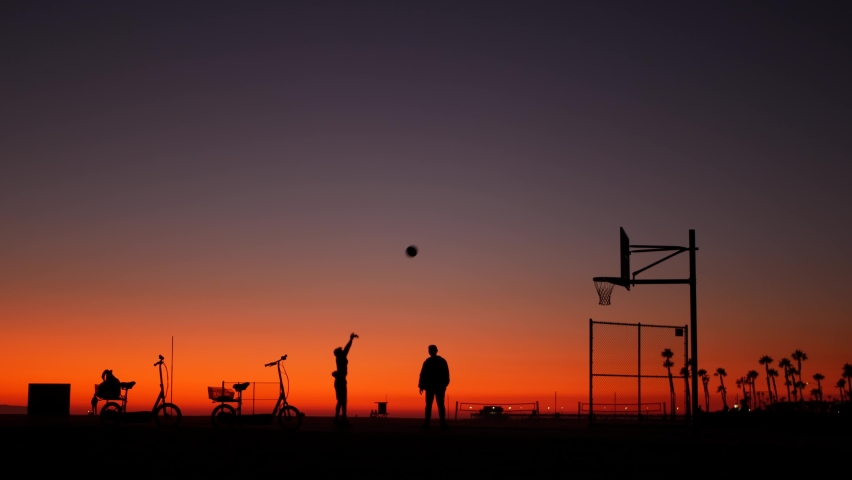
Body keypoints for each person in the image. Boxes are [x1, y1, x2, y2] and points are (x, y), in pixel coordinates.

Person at [419, 344, 450, 428]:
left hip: (437, 386)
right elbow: (423, 374)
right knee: (430, 405)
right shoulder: (428, 361)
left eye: (431, 350)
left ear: (435, 351)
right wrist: (421, 385)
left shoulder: (440, 361)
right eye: (430, 350)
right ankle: (428, 423)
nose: (430, 352)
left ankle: (441, 423)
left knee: (439, 405)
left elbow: (446, 374)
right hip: (431, 387)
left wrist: (445, 384)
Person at [333, 332, 358, 426]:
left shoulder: (340, 358)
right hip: (340, 381)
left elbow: (346, 349)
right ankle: (341, 418)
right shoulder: (341, 357)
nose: (343, 350)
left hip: (341, 380)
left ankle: (340, 417)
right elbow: (347, 348)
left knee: (341, 401)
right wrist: (351, 339)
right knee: (342, 401)